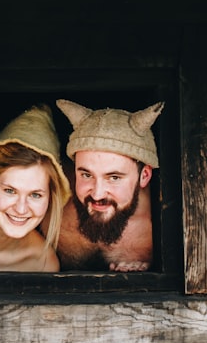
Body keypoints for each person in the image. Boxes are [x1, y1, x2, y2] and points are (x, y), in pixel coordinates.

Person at [53, 99, 163, 272]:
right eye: (86, 175)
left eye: (114, 178)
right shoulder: (51, 199)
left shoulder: (162, 223)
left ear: (145, 176)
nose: (97, 195)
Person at [0, 104, 71, 272]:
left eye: (36, 195)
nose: (21, 209)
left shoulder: (43, 264)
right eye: (10, 191)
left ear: (50, 198)